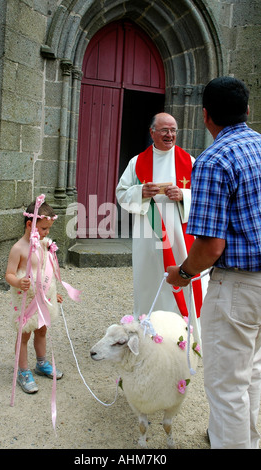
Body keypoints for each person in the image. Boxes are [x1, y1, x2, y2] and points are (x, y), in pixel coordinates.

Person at [166, 76, 261, 449]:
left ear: (205, 116)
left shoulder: (214, 159)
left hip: (238, 286)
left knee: (226, 385)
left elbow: (210, 246)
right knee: (252, 371)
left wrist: (183, 273)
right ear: (248, 110)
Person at [116, 112, 207, 344]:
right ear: (152, 133)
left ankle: (187, 332)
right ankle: (149, 333)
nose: (170, 135)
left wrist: (183, 195)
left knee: (183, 275)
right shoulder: (137, 162)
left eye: (173, 130)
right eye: (165, 130)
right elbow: (121, 193)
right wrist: (140, 192)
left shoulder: (190, 161)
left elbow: (205, 197)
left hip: (181, 233)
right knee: (151, 278)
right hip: (149, 233)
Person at [5, 200, 63, 394]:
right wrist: (17, 282)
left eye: (48, 229)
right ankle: (22, 371)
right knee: (24, 334)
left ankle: (41, 363)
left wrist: (55, 293)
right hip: (27, 300)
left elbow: (47, 270)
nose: (47, 232)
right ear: (30, 224)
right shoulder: (18, 248)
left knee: (42, 331)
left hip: (44, 298)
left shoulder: (44, 246)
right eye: (44, 228)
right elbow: (9, 274)